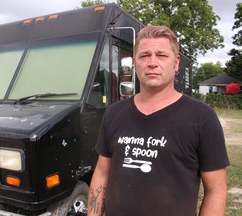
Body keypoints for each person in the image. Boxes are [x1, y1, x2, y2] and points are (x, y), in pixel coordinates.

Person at [87, 25, 229, 216]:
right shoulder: (114, 113)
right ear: (135, 62)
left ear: (176, 63)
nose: (152, 63)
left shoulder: (202, 117)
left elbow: (216, 190)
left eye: (161, 55)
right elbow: (102, 175)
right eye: (144, 56)